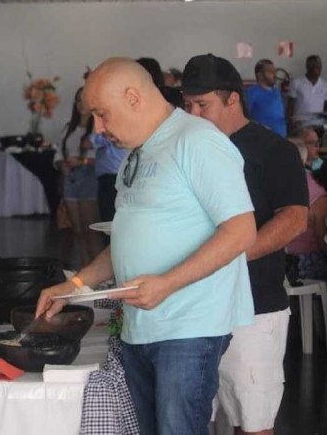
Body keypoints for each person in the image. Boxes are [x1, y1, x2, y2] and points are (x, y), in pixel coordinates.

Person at [36, 58, 257, 435]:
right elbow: (126, 240)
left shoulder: (197, 141)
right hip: (141, 325)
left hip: (188, 327)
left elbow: (241, 232)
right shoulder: (137, 154)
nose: (98, 128)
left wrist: (167, 283)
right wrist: (75, 285)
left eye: (102, 114)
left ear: (134, 97)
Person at [181, 53, 308, 435]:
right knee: (190, 420)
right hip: (191, 306)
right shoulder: (186, 150)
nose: (193, 114)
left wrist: (226, 256)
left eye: (202, 105)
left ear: (232, 99)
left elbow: (293, 218)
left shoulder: (273, 150)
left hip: (254, 305)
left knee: (252, 421)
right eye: (188, 106)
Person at [54, 87, 103, 265]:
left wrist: (81, 161)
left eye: (84, 100)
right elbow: (58, 152)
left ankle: (99, 269)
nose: (81, 104)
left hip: (89, 176)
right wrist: (61, 164)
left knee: (91, 229)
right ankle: (85, 266)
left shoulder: (98, 128)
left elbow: (103, 156)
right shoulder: (69, 128)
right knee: (78, 230)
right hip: (70, 177)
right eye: (78, 100)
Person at [286, 138, 327, 283]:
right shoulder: (317, 191)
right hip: (305, 263)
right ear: (303, 158)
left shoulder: (267, 185)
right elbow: (325, 243)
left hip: (277, 263)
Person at [288, 55, 327, 135]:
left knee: (317, 143)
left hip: (318, 126)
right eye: (314, 66)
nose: (318, 68)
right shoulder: (296, 83)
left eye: (319, 66)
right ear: (307, 67)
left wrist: (326, 116)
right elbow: (290, 106)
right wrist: (290, 122)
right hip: (300, 126)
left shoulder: (326, 85)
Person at [245, 58, 287, 137]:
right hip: (263, 138)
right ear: (260, 75)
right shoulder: (251, 92)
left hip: (281, 137)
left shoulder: (276, 92)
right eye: (270, 72)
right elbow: (244, 117)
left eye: (274, 71)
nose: (274, 75)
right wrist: (260, 126)